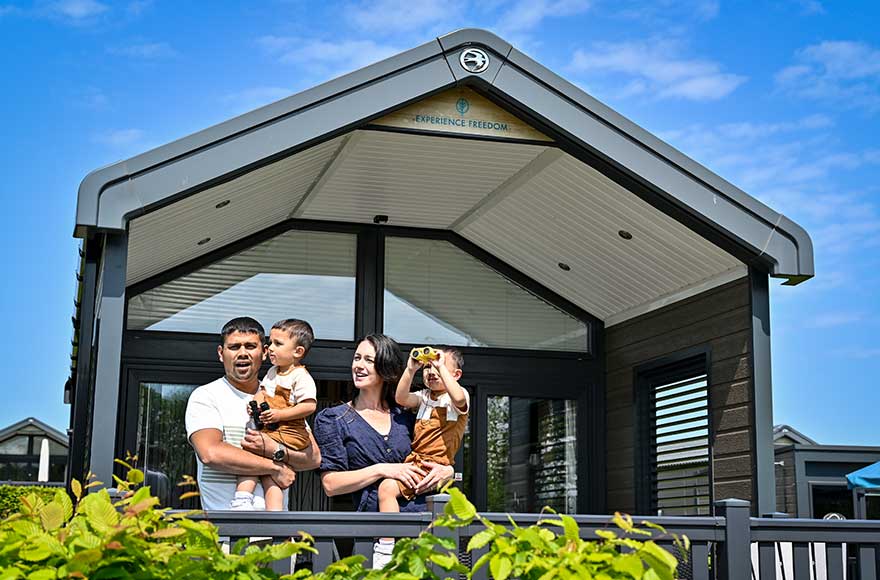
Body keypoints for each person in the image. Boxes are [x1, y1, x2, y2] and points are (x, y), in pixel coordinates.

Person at [312, 334, 454, 569]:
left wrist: (448, 470)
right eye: (357, 358)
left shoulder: (407, 416)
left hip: (423, 532)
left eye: (369, 360)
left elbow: (436, 454)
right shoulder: (333, 419)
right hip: (373, 538)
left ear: (386, 367)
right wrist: (381, 470)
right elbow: (331, 484)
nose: (359, 365)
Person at [184, 317, 320, 511]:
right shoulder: (206, 396)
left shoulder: (282, 394)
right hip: (226, 534)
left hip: (275, 535)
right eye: (234, 347)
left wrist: (277, 450)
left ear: (264, 352)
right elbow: (211, 453)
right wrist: (275, 467)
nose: (242, 353)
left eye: (250, 346)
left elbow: (313, 458)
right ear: (221, 354)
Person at [232, 319, 318, 511]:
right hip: (272, 428)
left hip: (289, 431)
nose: (270, 348)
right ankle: (259, 506)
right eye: (270, 342)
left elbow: (309, 406)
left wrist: (280, 414)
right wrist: (255, 404)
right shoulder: (273, 371)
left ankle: (248, 499)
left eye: (278, 344)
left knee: (253, 453)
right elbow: (263, 391)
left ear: (298, 352)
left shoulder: (300, 376)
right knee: (264, 467)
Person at [378, 347, 468, 512]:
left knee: (386, 489)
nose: (432, 370)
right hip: (416, 461)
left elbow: (459, 399)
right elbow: (401, 398)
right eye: (428, 367)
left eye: (439, 365)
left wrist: (439, 366)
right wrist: (411, 369)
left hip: (435, 465)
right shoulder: (424, 397)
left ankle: (387, 538)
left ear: (456, 375)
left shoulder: (456, 396)